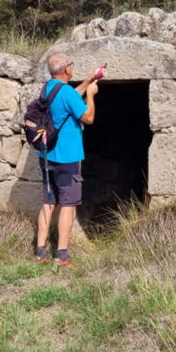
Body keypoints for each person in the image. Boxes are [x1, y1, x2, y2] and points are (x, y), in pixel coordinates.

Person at [34, 53, 100, 268]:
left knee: (48, 202)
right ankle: (62, 256)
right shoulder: (66, 93)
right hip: (67, 158)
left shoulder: (49, 89)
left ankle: (41, 252)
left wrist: (89, 79)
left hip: (46, 155)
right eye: (72, 64)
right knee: (68, 204)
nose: (73, 66)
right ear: (65, 70)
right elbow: (89, 118)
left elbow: (70, 97)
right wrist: (91, 94)